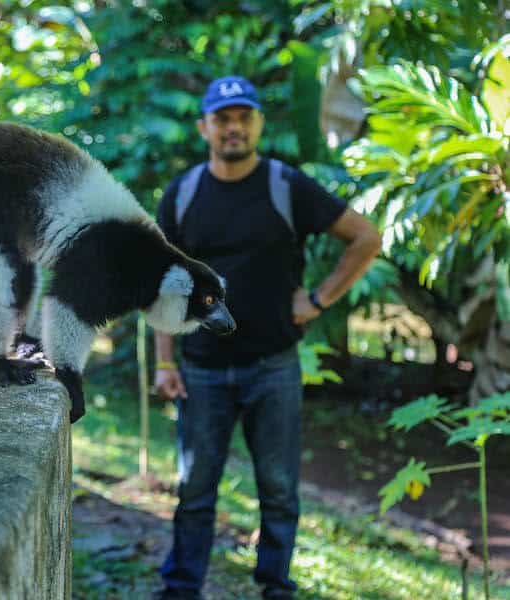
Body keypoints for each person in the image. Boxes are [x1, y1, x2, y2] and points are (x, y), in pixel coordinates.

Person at [152, 76, 381, 599]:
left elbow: (366, 237)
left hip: (273, 366)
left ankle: (275, 585)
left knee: (278, 488)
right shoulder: (182, 195)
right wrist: (165, 363)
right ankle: (181, 588)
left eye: (243, 117)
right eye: (223, 119)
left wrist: (318, 300)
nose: (233, 128)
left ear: (258, 124)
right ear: (204, 127)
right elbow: (165, 284)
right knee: (194, 488)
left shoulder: (287, 186)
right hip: (202, 369)